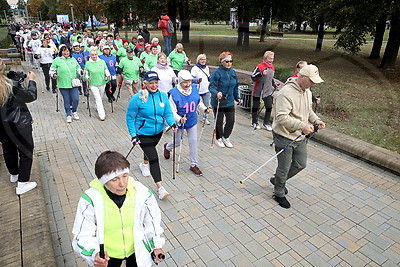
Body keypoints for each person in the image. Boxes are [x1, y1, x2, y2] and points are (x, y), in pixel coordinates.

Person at [72, 151, 166, 267]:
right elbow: (82, 235)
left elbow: (152, 221)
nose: (122, 184)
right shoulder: (90, 200)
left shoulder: (142, 193)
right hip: (107, 255)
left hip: (136, 250)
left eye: (125, 176)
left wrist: (156, 245)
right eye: (114, 179)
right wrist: (94, 254)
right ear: (104, 181)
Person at [271, 64, 326, 209]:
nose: (313, 83)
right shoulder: (285, 93)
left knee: (301, 164)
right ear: (301, 76)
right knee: (284, 167)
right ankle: (278, 193)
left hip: (300, 136)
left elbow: (308, 111)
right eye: (311, 80)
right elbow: (281, 117)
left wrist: (316, 120)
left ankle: (277, 180)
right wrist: (302, 126)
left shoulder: (307, 91)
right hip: (284, 136)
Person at [126, 71, 176, 200]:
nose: (154, 85)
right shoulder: (138, 98)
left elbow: (168, 113)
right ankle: (160, 188)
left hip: (158, 132)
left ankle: (144, 164)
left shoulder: (163, 96)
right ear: (145, 84)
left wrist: (173, 123)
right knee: (154, 158)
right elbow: (130, 117)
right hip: (143, 133)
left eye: (156, 82)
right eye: (151, 83)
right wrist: (133, 135)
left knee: (150, 152)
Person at [0, 61, 38, 194]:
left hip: (2, 126)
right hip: (19, 124)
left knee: (8, 149)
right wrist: (31, 81)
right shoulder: (11, 86)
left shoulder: (10, 84)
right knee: (26, 152)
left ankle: (14, 174)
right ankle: (22, 184)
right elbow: (31, 96)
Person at [163, 70, 209, 176]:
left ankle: (194, 164)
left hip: (192, 120)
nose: (187, 84)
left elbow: (198, 103)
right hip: (180, 122)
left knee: (193, 142)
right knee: (178, 142)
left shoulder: (193, 89)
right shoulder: (174, 93)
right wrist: (179, 119)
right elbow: (172, 111)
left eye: (189, 82)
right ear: (179, 81)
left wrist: (204, 109)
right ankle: (167, 147)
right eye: (184, 82)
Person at [209, 52, 241, 148]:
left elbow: (235, 86)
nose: (229, 63)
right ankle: (218, 138)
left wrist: (237, 97)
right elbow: (211, 86)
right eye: (227, 61)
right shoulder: (217, 72)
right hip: (219, 100)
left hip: (230, 100)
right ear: (222, 62)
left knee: (231, 121)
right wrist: (216, 92)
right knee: (219, 121)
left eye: (231, 61)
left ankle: (226, 137)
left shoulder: (233, 72)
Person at [50, 45, 81, 123]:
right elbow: (51, 71)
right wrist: (54, 75)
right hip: (63, 84)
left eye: (67, 51)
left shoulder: (73, 59)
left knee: (76, 99)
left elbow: (78, 68)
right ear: (61, 52)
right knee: (66, 100)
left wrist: (81, 72)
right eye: (64, 51)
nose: (66, 52)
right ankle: (68, 114)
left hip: (73, 83)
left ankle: (74, 111)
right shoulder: (57, 60)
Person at [250, 51, 278, 131]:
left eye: (272, 58)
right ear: (265, 58)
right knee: (256, 107)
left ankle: (266, 123)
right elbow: (253, 76)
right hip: (258, 90)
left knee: (269, 107)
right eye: (270, 58)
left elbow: (270, 78)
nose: (271, 60)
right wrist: (261, 73)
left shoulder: (272, 67)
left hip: (267, 91)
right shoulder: (259, 66)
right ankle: (254, 122)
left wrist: (274, 85)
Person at [84, 48, 110, 121]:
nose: (94, 56)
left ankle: (97, 106)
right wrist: (87, 77)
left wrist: (108, 75)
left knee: (100, 97)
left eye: (95, 54)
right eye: (92, 55)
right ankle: (102, 114)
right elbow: (86, 73)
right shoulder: (88, 63)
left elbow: (106, 70)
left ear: (97, 55)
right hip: (93, 84)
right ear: (90, 55)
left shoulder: (102, 62)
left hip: (102, 82)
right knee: (97, 98)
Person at [191, 54, 211, 124]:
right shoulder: (195, 68)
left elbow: (208, 77)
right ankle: (195, 116)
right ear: (198, 60)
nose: (203, 61)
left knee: (207, 104)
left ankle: (205, 118)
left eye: (204, 59)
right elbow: (191, 79)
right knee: (196, 104)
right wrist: (197, 80)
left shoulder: (206, 68)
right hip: (198, 90)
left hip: (206, 89)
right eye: (201, 59)